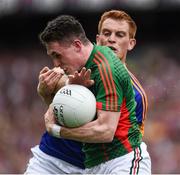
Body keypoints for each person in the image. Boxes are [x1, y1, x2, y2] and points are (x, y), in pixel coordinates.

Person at [41, 14, 151, 174]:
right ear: (97, 40)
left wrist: (57, 129)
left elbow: (106, 131)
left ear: (131, 43)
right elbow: (59, 105)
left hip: (113, 160)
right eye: (106, 33)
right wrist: (46, 92)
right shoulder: (75, 68)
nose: (112, 39)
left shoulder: (136, 95)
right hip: (62, 159)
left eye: (119, 35)